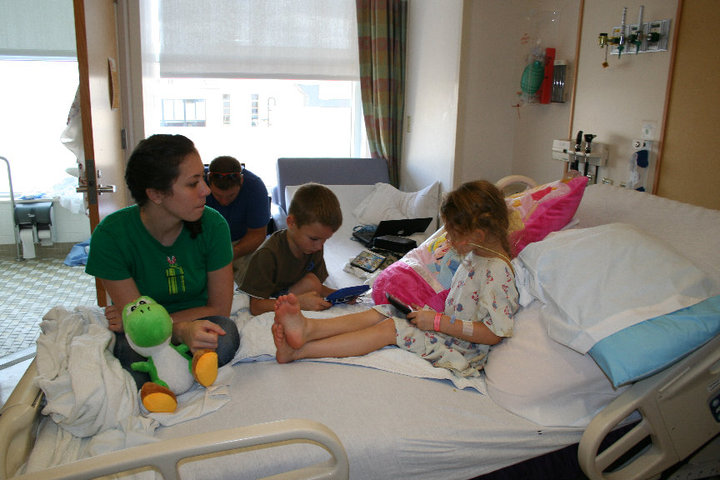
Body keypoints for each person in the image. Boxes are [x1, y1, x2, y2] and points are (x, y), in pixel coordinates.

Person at [271, 180, 519, 377]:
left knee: (392, 328)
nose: (449, 241)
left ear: (478, 234)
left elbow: (493, 333)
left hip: (463, 350)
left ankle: (300, 352)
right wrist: (431, 315)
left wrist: (438, 322)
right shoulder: (476, 256)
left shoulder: (497, 271)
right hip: (449, 332)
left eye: (453, 235)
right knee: (387, 309)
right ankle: (309, 329)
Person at [85, 134, 240, 389]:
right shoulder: (111, 236)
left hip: (196, 323)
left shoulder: (214, 225)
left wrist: (172, 325)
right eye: (193, 183)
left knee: (225, 335)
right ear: (156, 194)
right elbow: (140, 326)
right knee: (131, 354)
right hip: (144, 336)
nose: (206, 190)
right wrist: (180, 330)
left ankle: (169, 377)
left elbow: (219, 308)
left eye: (203, 178)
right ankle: (187, 370)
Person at [239, 182, 342, 316]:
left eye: (325, 240)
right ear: (291, 223)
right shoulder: (268, 255)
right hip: (269, 299)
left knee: (312, 282)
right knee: (311, 283)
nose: (319, 246)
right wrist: (299, 302)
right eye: (314, 239)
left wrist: (339, 295)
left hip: (291, 292)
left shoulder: (314, 247)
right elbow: (256, 307)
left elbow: (317, 286)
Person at [204, 156, 270, 285]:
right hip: (206, 242)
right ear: (208, 180)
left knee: (255, 278)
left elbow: (257, 234)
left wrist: (229, 254)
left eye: (231, 195)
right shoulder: (196, 185)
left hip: (241, 243)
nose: (224, 202)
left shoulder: (255, 187)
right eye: (217, 195)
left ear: (241, 180)